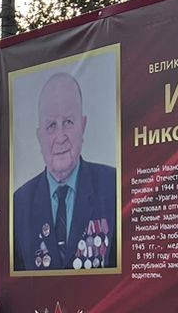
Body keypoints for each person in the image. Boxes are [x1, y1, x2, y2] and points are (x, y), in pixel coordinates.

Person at [12, 71, 117, 271]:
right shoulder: (18, 205)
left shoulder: (113, 189)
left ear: (83, 126)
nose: (60, 137)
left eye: (68, 122)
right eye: (51, 125)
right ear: (39, 136)